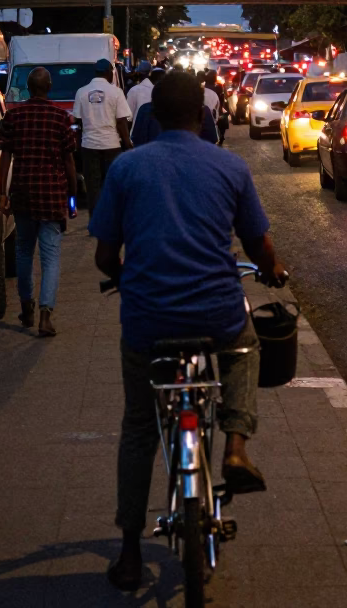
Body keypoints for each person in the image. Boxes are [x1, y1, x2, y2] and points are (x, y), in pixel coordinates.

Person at [90, 70, 287, 592]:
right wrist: (273, 271)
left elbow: (105, 256)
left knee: (138, 428)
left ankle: (130, 552)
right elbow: (259, 244)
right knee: (246, 349)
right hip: (217, 314)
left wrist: (125, 277)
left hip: (147, 319)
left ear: (152, 115)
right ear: (202, 115)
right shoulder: (229, 165)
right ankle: (236, 444)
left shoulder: (127, 169)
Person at [0, 66, 77, 337]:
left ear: (29, 87)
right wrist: (73, 197)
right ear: (50, 86)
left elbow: (5, 155)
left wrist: (3, 194)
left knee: (23, 252)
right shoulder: (60, 118)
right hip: (52, 195)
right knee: (51, 257)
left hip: (22, 193)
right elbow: (69, 160)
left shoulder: (13, 116)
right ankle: (46, 315)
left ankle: (26, 307)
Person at [72, 59, 132, 215]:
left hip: (89, 146)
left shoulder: (81, 92)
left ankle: (96, 220)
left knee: (93, 186)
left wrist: (78, 146)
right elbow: (121, 121)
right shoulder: (116, 92)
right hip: (111, 146)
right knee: (112, 184)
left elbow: (77, 122)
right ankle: (110, 219)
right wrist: (128, 144)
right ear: (108, 72)